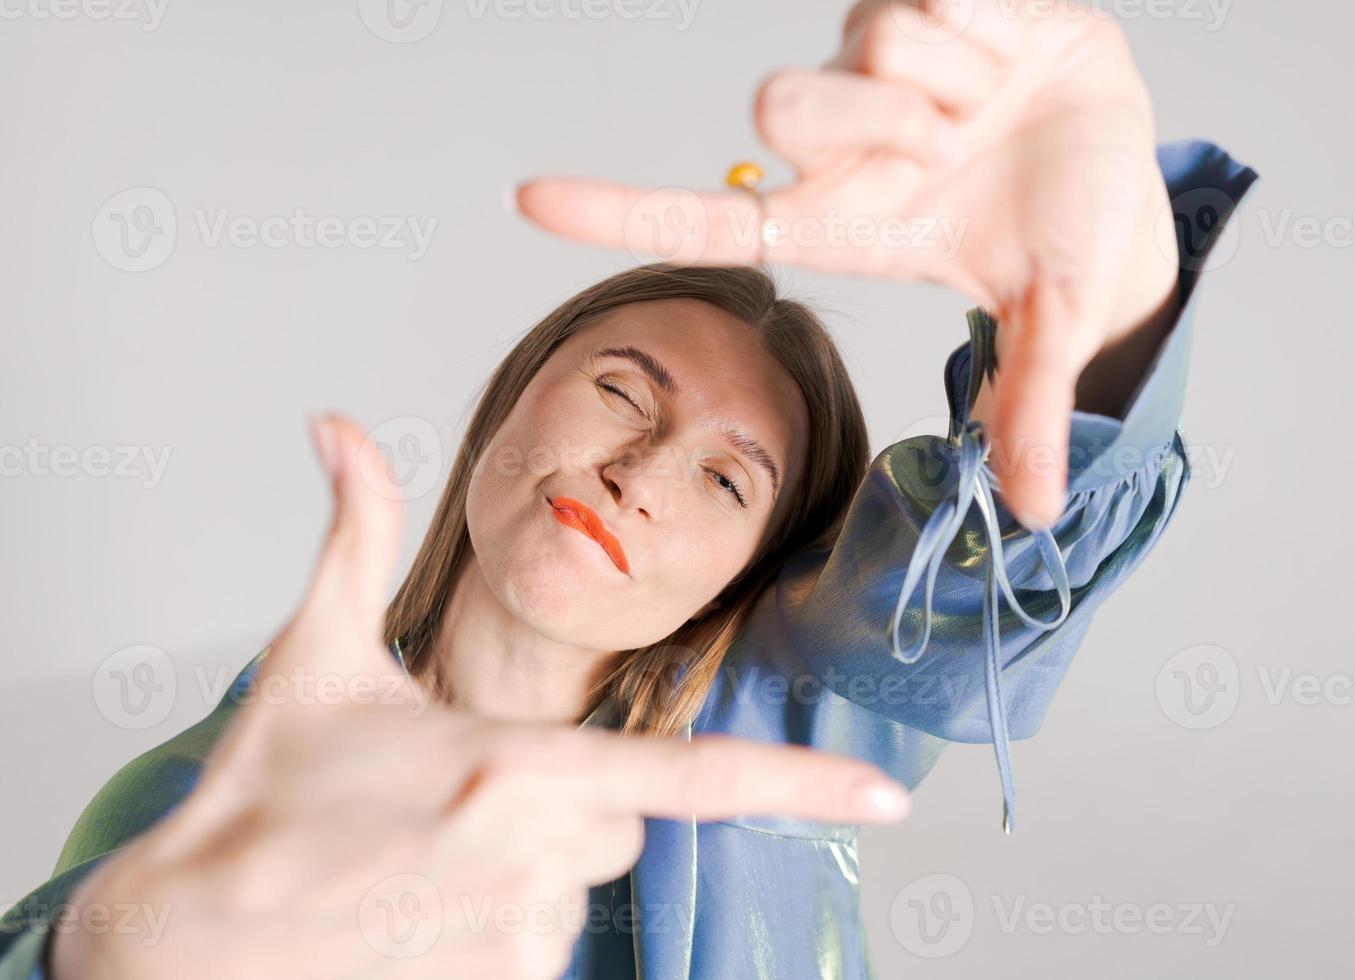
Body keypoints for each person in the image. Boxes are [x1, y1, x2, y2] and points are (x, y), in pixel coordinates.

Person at [0, 0, 1260, 976]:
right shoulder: (206, 802)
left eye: (725, 476)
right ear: (510, 397)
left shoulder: (782, 715)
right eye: (618, 391)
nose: (640, 470)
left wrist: (1102, 305)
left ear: (754, 569)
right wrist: (118, 947)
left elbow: (997, 557)